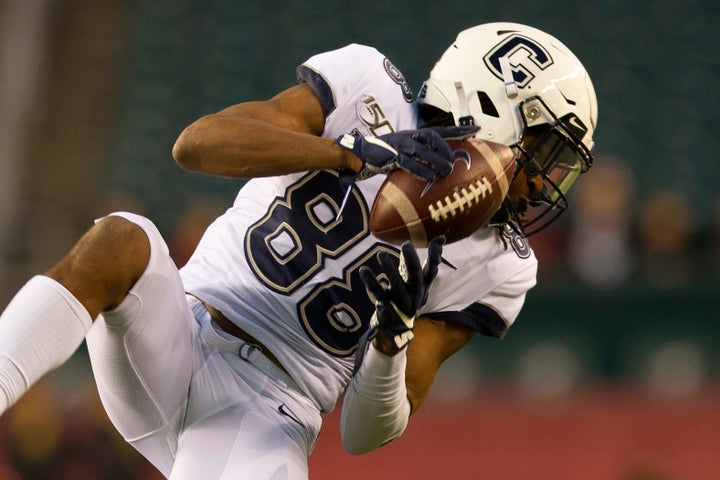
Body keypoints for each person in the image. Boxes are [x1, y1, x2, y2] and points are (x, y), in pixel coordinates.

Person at [0, 22, 597, 479]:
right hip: (180, 327)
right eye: (546, 153)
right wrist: (349, 154)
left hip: (268, 409)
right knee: (120, 237)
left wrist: (393, 337)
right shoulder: (367, 86)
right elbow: (197, 144)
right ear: (494, 109)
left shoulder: (500, 265)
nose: (545, 182)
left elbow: (366, 434)